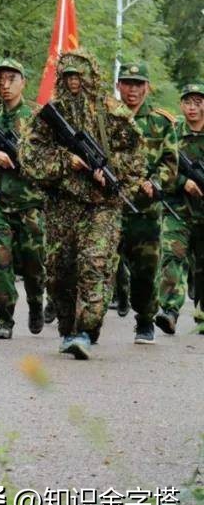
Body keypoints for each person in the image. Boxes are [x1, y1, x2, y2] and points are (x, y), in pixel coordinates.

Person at [19, 50, 145, 359]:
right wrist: (66, 160)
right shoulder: (49, 116)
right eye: (68, 76)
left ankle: (87, 329)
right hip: (62, 205)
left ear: (90, 78)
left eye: (79, 76)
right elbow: (29, 156)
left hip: (101, 205)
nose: (74, 82)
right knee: (61, 272)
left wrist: (110, 170)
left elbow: (137, 156)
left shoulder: (112, 113)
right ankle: (68, 329)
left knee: (95, 265)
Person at [0, 59, 47, 339]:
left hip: (29, 202)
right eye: (0, 79)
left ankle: (37, 302)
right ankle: (5, 317)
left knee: (34, 263)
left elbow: (51, 158)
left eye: (11, 78)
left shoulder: (38, 118)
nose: (4, 84)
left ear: (23, 82)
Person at [112, 62, 177, 344]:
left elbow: (171, 163)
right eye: (127, 83)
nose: (133, 89)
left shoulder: (161, 122)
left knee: (145, 271)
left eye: (139, 84)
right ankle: (88, 324)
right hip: (111, 206)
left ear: (147, 87)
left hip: (146, 211)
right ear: (118, 86)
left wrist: (158, 182)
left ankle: (145, 319)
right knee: (101, 266)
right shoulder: (107, 118)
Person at [156, 82, 204, 335]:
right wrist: (183, 182)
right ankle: (170, 310)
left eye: (198, 102)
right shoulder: (172, 132)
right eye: (188, 102)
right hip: (178, 210)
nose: (192, 107)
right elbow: (160, 167)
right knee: (172, 256)